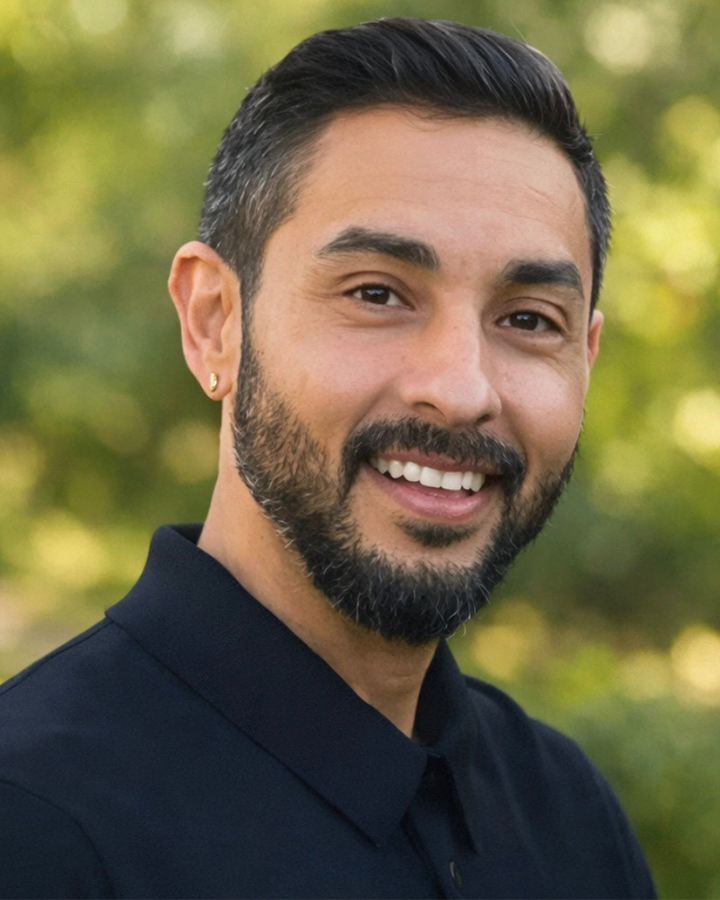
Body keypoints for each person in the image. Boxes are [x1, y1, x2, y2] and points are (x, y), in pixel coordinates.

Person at [0, 17, 655, 900]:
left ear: (586, 357)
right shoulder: (34, 824)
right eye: (378, 293)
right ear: (213, 321)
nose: (460, 389)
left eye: (528, 319)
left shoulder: (568, 813)